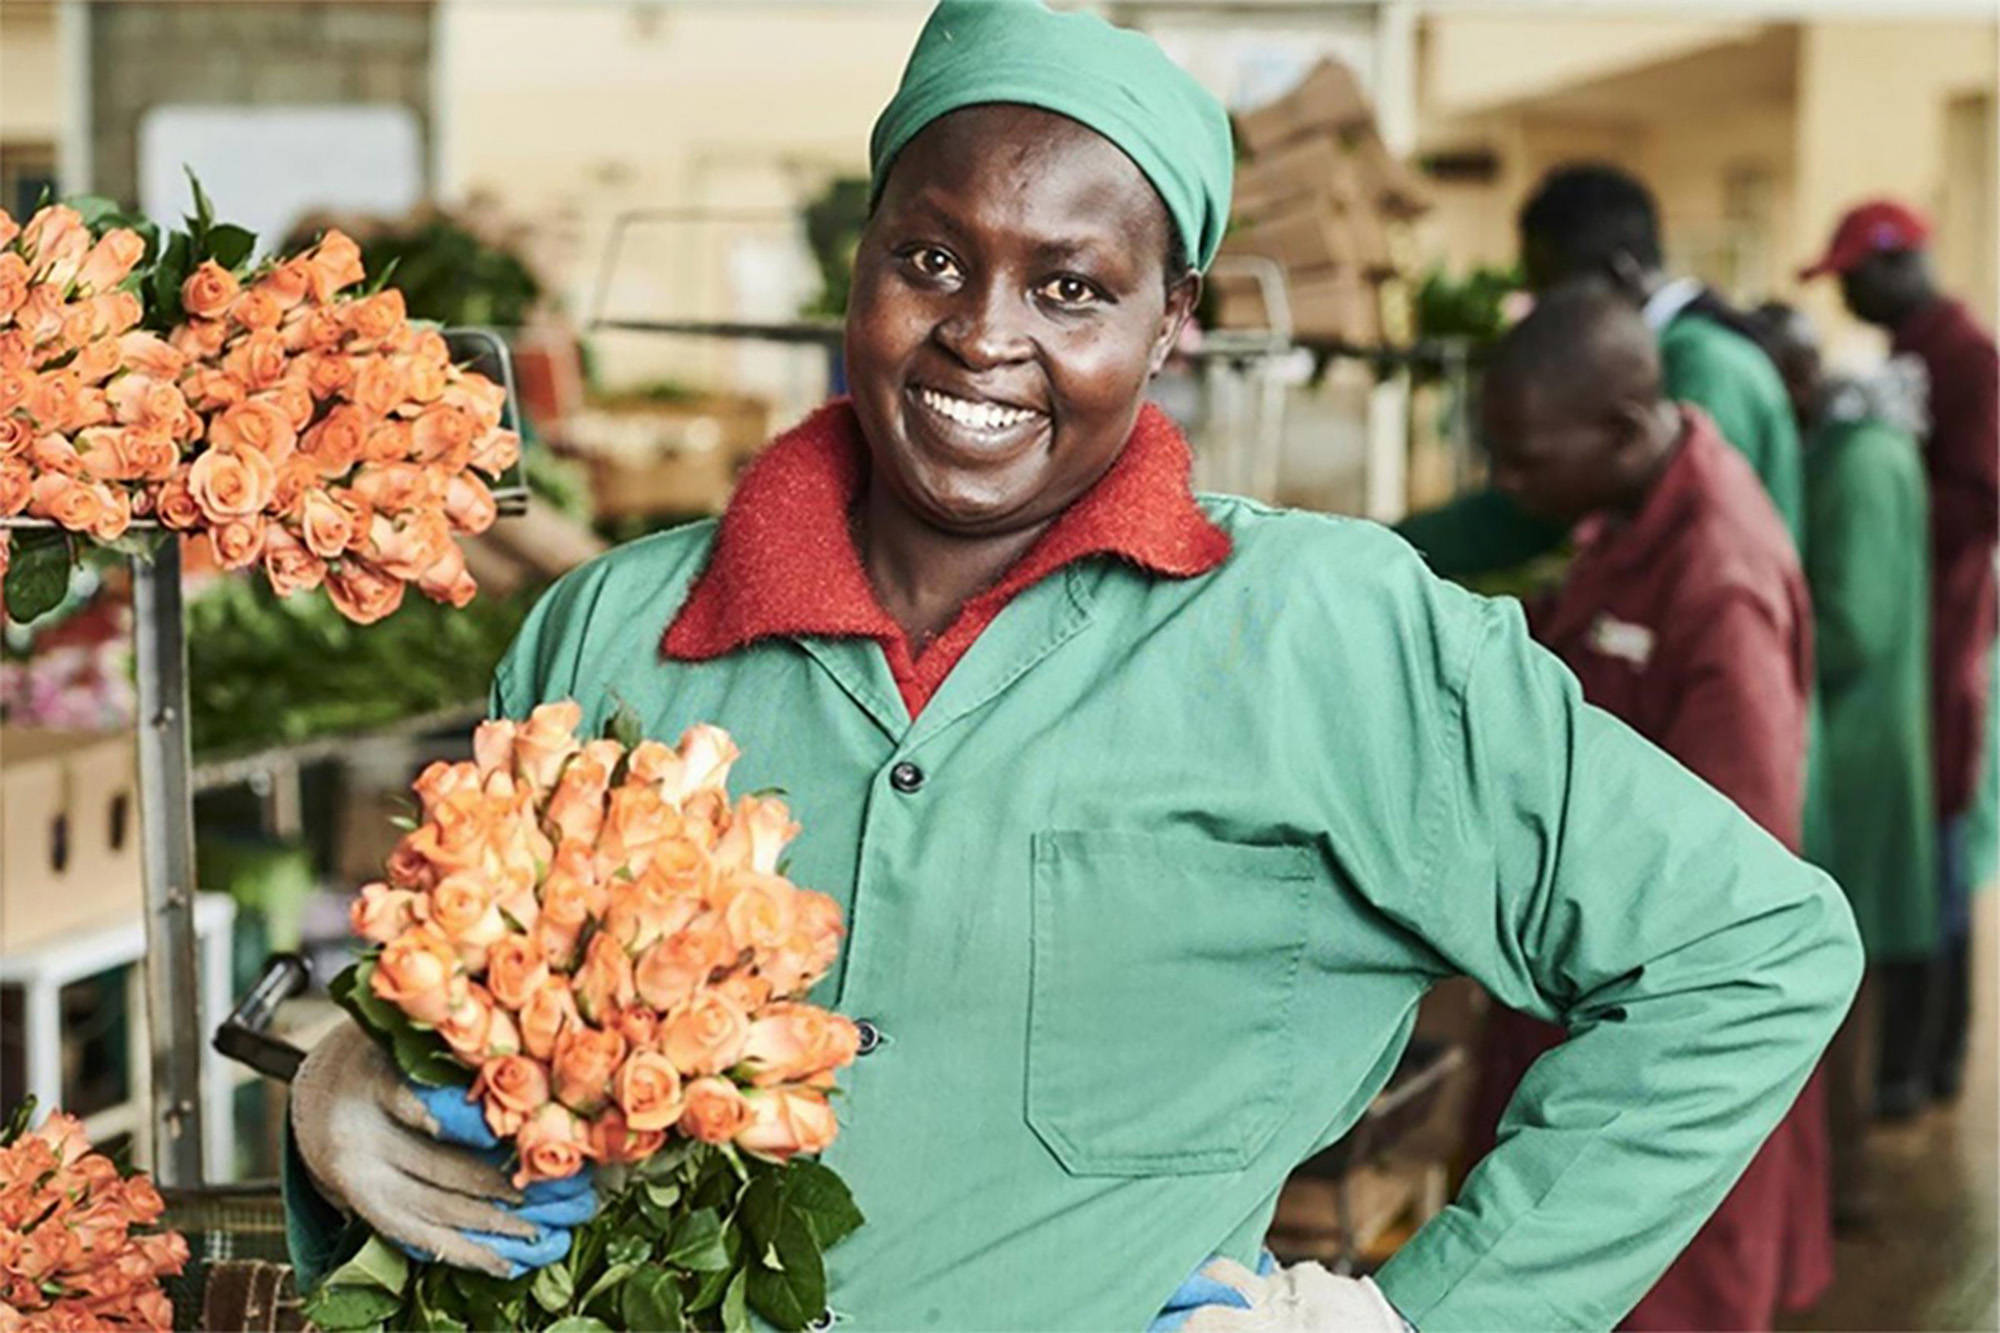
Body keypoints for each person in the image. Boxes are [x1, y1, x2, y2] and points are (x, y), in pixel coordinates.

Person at [285, 5, 1861, 1328]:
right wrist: (343, 1077)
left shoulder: (1330, 635)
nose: (983, 336)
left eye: (1073, 287)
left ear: (1175, 319)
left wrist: (1419, 1318)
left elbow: (1751, 954)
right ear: (862, 267)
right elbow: (468, 1027)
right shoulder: (611, 632)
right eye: (931, 259)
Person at [1462, 282, 1832, 1331]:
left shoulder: (1719, 585)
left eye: (1526, 459)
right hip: (1585, 1014)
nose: (1507, 482)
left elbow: (1731, 892)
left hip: (1658, 1057)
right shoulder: (1634, 509)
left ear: (1622, 430)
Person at [1801, 200, 2000, 1115]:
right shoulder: (1916, 358)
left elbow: (1980, 496)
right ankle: (1917, 1063)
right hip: (1921, 645)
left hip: (1943, 646)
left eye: (1852, 274)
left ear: (1896, 264)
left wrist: (1890, 496)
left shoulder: (1965, 362)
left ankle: (1924, 1063)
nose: (1846, 293)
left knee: (1936, 860)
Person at [1749, 300, 1934, 1225]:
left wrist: (1753, 626)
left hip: (1851, 753)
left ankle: (1836, 1186)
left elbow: (1853, 623)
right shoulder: (1880, 452)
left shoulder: (1858, 465)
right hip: (1870, 744)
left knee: (1833, 991)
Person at [1399, 163, 1804, 579]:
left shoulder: (1707, 366)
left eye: (1550, 287)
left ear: (1619, 273)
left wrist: (1386, 548)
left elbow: (1542, 517)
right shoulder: (1677, 352)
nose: (1544, 312)